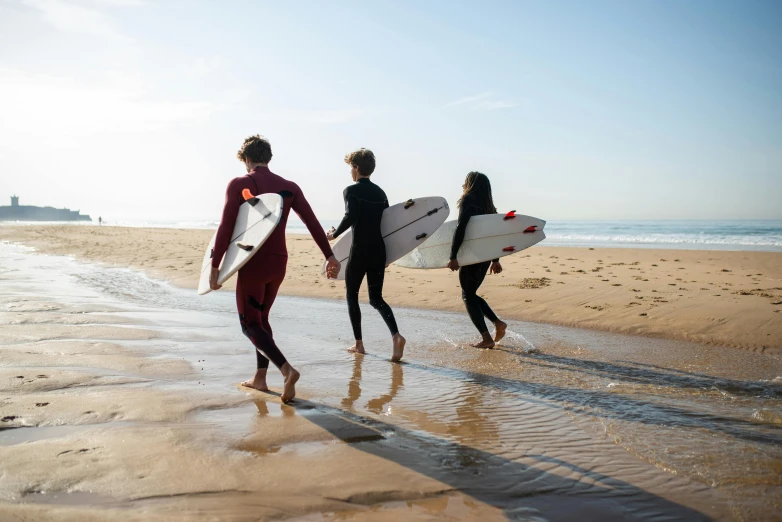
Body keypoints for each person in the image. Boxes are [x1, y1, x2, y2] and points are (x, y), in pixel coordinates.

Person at [210, 135, 340, 402]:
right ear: (268, 158)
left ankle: (286, 370)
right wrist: (329, 256)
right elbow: (312, 222)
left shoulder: (240, 183)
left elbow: (226, 227)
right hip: (279, 260)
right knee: (262, 319)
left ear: (246, 159)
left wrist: (215, 265)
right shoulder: (290, 187)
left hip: (253, 260)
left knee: (249, 325)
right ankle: (260, 378)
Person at [326, 148, 406, 362]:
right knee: (376, 298)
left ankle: (359, 344)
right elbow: (389, 225)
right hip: (379, 250)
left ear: (357, 168)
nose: (350, 172)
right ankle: (396, 336)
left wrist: (334, 234)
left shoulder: (351, 191)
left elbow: (350, 215)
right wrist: (390, 255)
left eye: (351, 167)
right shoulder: (381, 193)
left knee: (352, 295)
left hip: (360, 250)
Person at [447, 171, 508, 349]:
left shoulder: (468, 201)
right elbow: (493, 235)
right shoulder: (489, 207)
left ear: (470, 184)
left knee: (467, 295)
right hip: (486, 256)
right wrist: (495, 259)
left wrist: (453, 256)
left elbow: (461, 229)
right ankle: (497, 324)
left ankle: (487, 337)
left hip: (473, 254)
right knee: (470, 293)